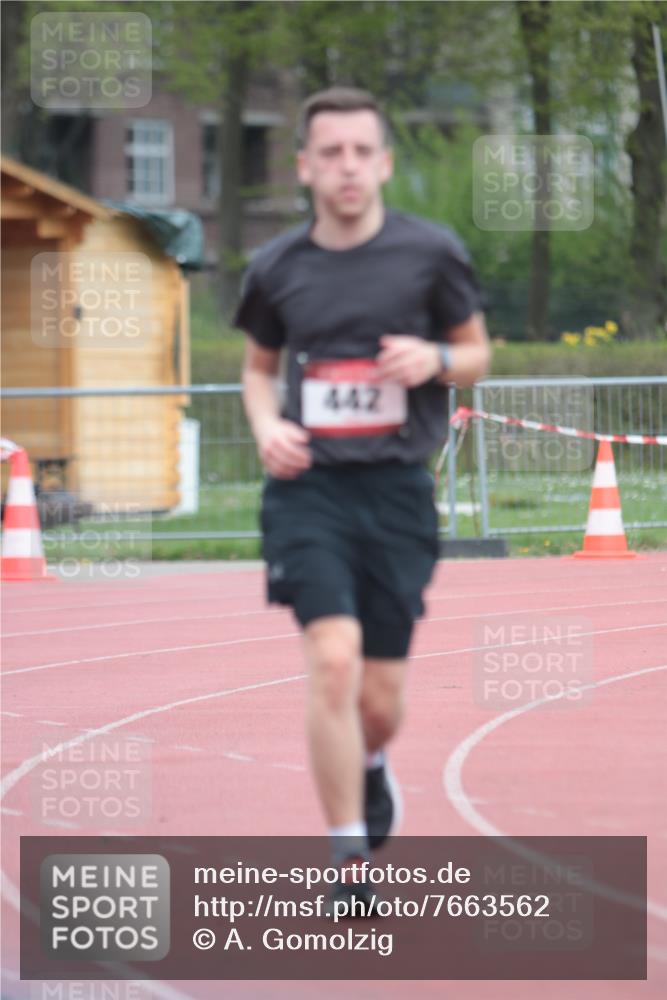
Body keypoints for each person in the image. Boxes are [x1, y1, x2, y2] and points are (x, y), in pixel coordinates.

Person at [236, 87, 491, 914]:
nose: (346, 167)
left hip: (396, 492)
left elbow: (476, 354)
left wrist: (433, 360)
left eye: (360, 152)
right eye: (330, 153)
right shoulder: (276, 267)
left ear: (382, 163)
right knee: (331, 663)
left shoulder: (431, 254)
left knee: (379, 701)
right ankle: (350, 859)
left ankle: (372, 764)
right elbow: (256, 368)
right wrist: (265, 425)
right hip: (306, 491)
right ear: (305, 166)